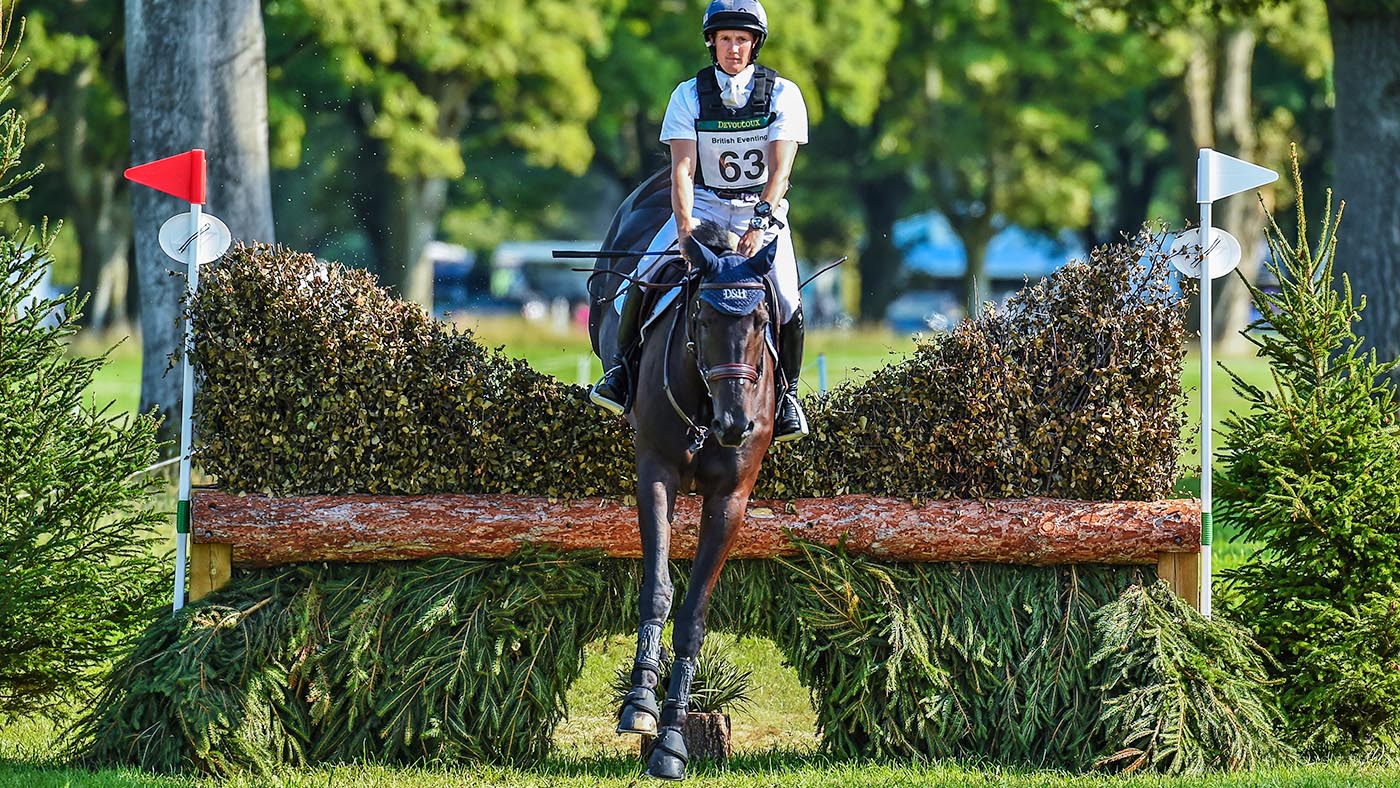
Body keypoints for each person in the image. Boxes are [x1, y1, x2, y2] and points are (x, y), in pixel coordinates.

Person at [590, 0, 810, 442]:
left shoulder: (784, 94)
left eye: (742, 40)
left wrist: (758, 225)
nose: (734, 49)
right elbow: (682, 171)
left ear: (755, 45)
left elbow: (781, 171)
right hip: (704, 204)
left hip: (760, 209)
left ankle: (786, 398)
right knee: (640, 280)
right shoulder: (688, 94)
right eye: (726, 39)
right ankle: (620, 375)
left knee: (787, 299)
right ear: (713, 42)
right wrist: (687, 229)